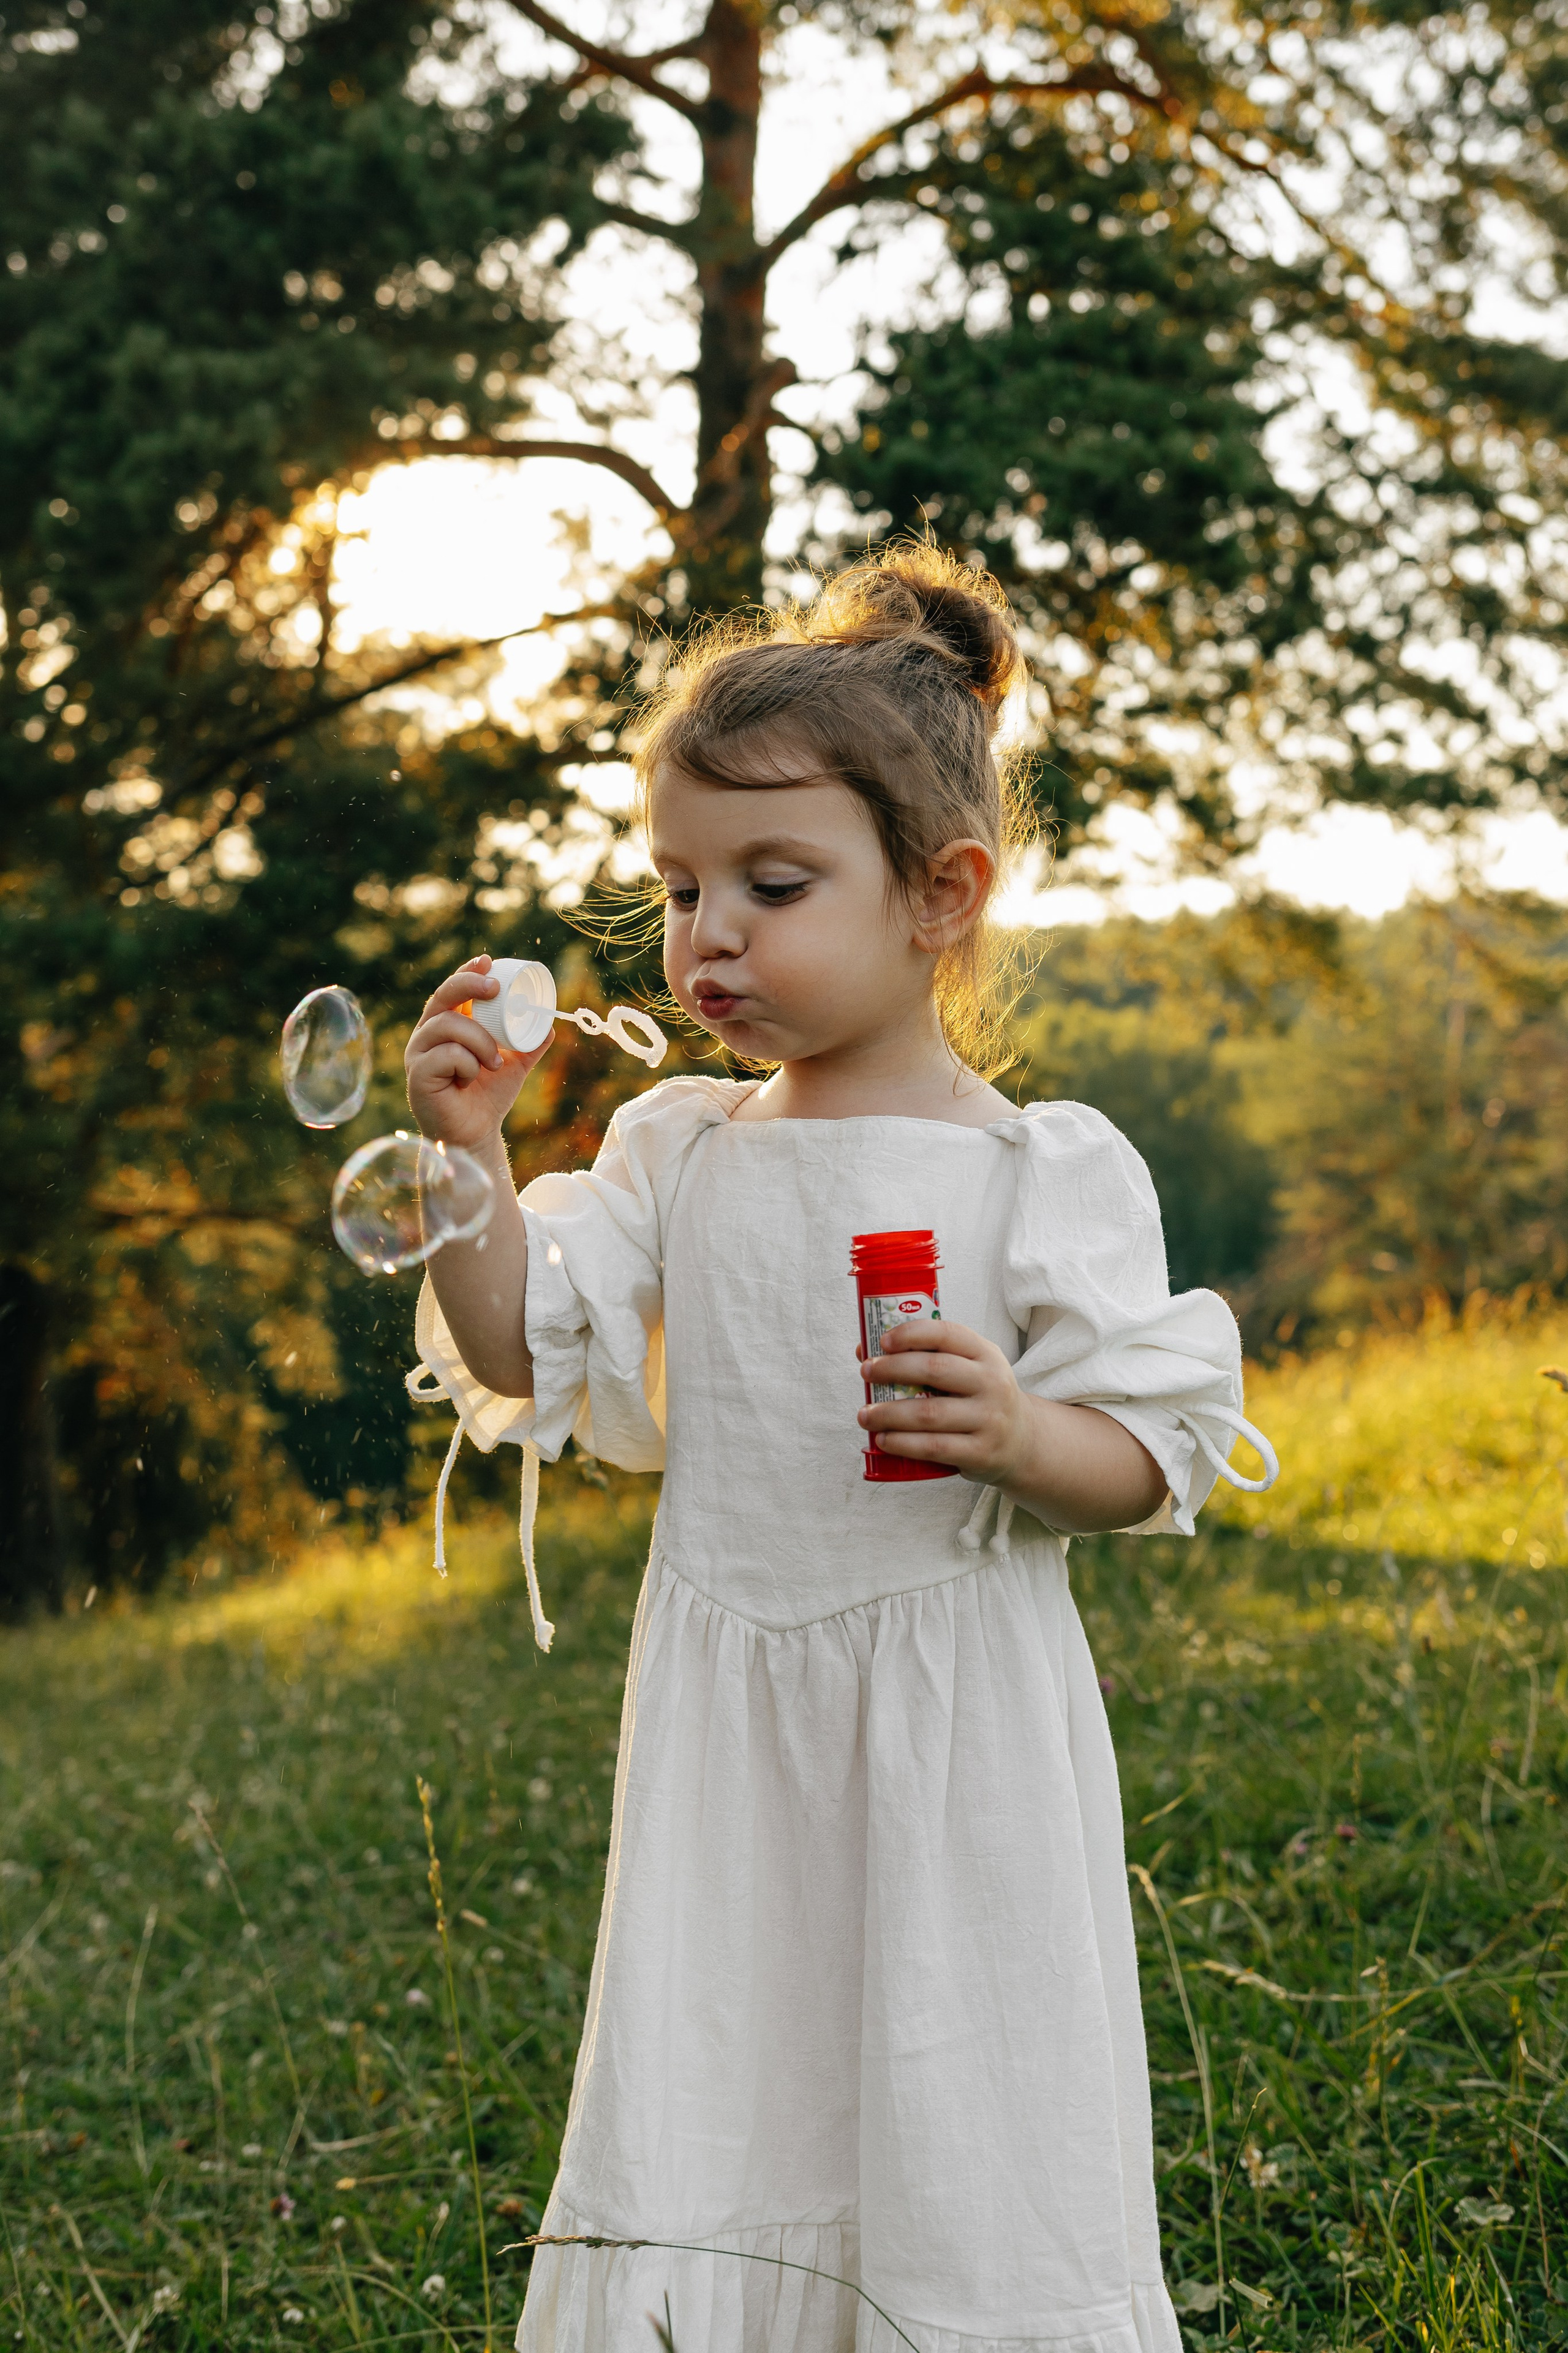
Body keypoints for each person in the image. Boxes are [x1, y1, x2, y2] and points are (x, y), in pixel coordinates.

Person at [403, 546, 1277, 2353]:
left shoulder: (1039, 1172)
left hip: (963, 1743)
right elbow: (517, 1348)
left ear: (940, 893)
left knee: (963, 2116)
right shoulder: (678, 1150)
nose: (704, 933)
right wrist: (472, 1162)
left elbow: (1154, 1457)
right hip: (736, 1734)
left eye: (770, 883)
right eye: (678, 886)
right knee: (736, 2090)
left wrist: (1035, 1433)